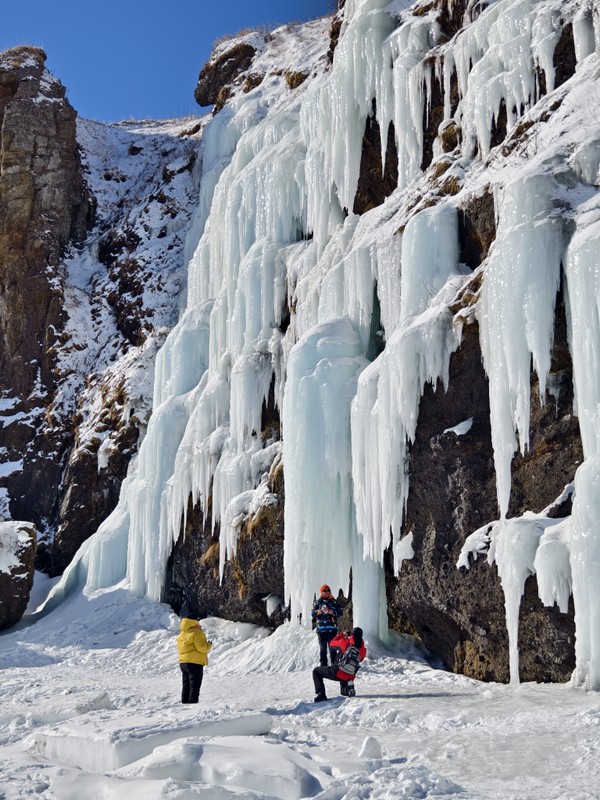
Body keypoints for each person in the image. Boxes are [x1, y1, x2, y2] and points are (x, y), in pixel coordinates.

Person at [313, 627, 366, 702]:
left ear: (352, 635)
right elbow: (360, 660)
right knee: (343, 692)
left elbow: (332, 643)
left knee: (316, 671)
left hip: (337, 672)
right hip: (350, 675)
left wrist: (343, 635)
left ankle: (321, 693)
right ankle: (349, 689)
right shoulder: (363, 650)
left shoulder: (345, 642)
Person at [176, 616, 212, 704]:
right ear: (194, 622)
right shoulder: (197, 633)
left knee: (186, 684)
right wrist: (209, 645)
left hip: (183, 662)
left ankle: (185, 702)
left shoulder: (181, 634)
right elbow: (201, 648)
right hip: (194, 663)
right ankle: (193, 704)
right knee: (194, 685)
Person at [311, 584, 343, 666]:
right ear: (321, 592)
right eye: (325, 591)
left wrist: (332, 612)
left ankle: (334, 665)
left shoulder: (334, 602)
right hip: (321, 630)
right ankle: (323, 666)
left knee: (333, 649)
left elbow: (340, 612)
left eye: (328, 590)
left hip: (332, 629)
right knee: (323, 649)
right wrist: (320, 611)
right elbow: (312, 613)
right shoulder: (318, 602)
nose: (327, 592)